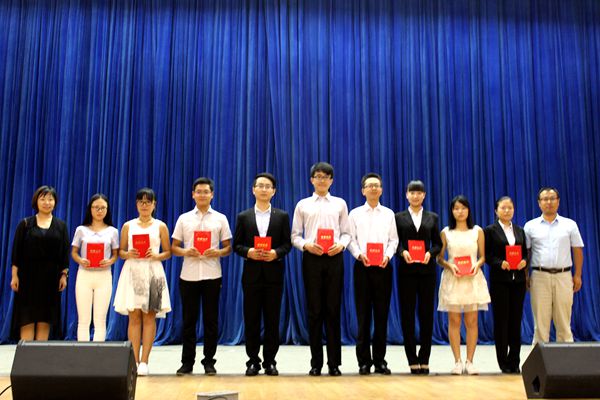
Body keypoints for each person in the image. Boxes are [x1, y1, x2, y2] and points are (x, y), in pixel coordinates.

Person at [291, 162, 351, 377]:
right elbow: (295, 235)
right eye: (318, 176)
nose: (322, 180)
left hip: (334, 258)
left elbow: (347, 233)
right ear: (312, 180)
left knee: (333, 311)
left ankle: (334, 364)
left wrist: (341, 245)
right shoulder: (303, 205)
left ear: (331, 180)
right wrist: (306, 245)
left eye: (326, 177)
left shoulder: (340, 204)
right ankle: (315, 363)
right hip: (312, 259)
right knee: (314, 311)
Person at [172, 177, 232, 376]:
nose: (202, 195)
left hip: (212, 275)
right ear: (193, 194)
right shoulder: (184, 218)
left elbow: (228, 247)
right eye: (199, 191)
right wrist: (185, 251)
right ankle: (187, 362)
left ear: (212, 194)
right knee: (188, 321)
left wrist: (218, 252)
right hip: (188, 275)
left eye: (206, 191)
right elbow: (174, 247)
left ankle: (209, 362)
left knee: (211, 321)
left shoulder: (220, 218)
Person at [233, 173, 292, 376]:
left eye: (268, 186)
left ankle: (270, 361)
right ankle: (252, 361)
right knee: (251, 320)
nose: (264, 189)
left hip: (274, 275)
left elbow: (287, 244)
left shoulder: (282, 216)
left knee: (272, 321)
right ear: (253, 190)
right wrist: (248, 251)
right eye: (260, 185)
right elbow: (236, 245)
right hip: (251, 276)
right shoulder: (244, 216)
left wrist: (276, 253)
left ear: (274, 191)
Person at [113, 188, 172, 376]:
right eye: (141, 202)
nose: (144, 205)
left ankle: (145, 361)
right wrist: (128, 253)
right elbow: (120, 252)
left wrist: (156, 255)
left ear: (154, 204)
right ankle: (134, 361)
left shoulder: (161, 226)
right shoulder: (128, 226)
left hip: (153, 272)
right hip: (132, 272)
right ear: (136, 204)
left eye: (148, 202)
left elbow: (168, 252)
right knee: (134, 317)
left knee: (149, 317)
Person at [347, 173, 398, 375]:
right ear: (363, 190)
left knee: (382, 315)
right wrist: (359, 254)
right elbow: (350, 239)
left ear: (381, 190)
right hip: (362, 267)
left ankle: (380, 360)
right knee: (363, 316)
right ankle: (363, 362)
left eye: (377, 185)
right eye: (369, 186)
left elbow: (393, 240)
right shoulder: (355, 214)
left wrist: (387, 256)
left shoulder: (389, 214)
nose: (374, 188)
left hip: (383, 268)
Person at [437, 195, 490, 375]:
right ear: (452, 211)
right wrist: (450, 265)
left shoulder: (477, 231)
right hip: (453, 279)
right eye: (456, 208)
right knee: (454, 320)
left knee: (472, 321)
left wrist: (477, 265)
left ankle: (470, 361)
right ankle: (457, 361)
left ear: (468, 210)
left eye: (463, 208)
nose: (460, 212)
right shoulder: (446, 232)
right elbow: (439, 258)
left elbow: (483, 256)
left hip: (472, 279)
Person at [524, 187, 584, 344]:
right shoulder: (530, 226)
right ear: (539, 203)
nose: (548, 202)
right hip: (539, 277)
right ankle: (539, 358)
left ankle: (566, 358)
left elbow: (577, 250)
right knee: (540, 324)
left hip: (564, 276)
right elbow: (527, 253)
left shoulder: (569, 224)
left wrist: (578, 275)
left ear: (558, 201)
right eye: (545, 199)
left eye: (552, 198)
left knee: (564, 323)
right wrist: (525, 275)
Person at [10, 185, 70, 340]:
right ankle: (26, 354)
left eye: (50, 199)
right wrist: (14, 276)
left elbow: (64, 254)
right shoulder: (25, 224)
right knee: (26, 318)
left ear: (55, 202)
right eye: (43, 199)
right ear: (36, 201)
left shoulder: (61, 226)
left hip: (50, 279)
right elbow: (16, 253)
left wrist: (63, 275)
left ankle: (38, 355)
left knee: (45, 318)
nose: (47, 203)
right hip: (27, 278)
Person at [395, 180, 442, 375]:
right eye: (412, 192)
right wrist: (402, 252)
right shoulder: (398, 217)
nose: (415, 196)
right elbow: (395, 242)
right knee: (407, 315)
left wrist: (430, 253)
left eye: (419, 192)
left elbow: (438, 244)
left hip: (427, 272)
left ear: (424, 195)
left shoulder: (433, 217)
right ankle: (412, 359)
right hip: (406, 272)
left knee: (426, 315)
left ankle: (424, 358)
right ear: (407, 195)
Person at [484, 196, 527, 374]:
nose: (507, 210)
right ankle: (503, 361)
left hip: (519, 281)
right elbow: (487, 255)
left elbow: (525, 253)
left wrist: (524, 261)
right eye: (503, 208)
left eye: (510, 207)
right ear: (496, 211)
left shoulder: (520, 230)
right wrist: (499, 263)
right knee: (502, 321)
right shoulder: (490, 230)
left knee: (516, 321)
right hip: (500, 281)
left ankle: (515, 360)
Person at [71, 194, 119, 342]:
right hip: (84, 275)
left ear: (107, 210)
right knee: (83, 320)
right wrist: (81, 260)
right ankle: (83, 352)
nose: (99, 211)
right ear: (90, 209)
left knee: (100, 319)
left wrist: (109, 261)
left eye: (103, 208)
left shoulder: (113, 231)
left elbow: (115, 254)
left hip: (103, 276)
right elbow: (74, 252)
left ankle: (98, 352)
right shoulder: (81, 230)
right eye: (96, 207)